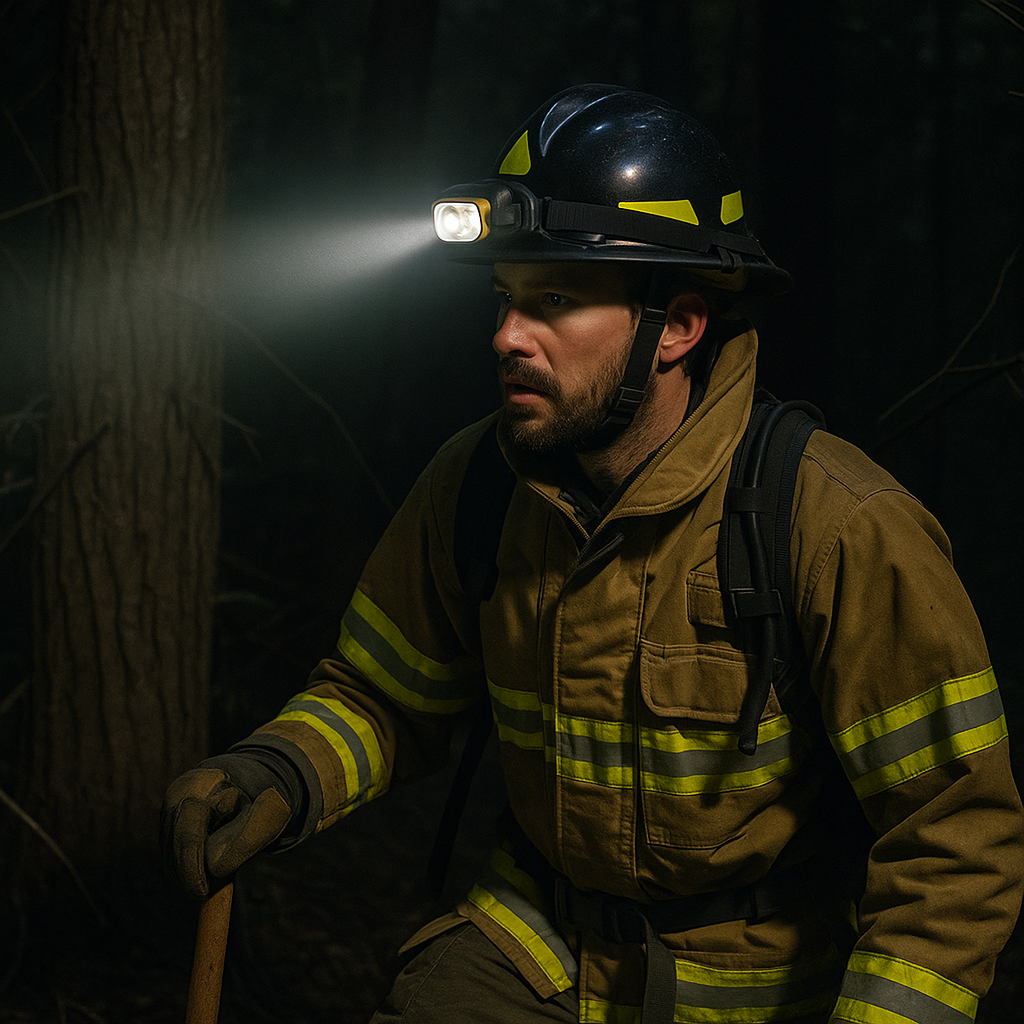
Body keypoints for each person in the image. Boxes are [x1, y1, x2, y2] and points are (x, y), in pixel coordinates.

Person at [162, 85, 1024, 1024]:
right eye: (506, 298)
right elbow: (382, 694)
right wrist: (281, 772)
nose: (506, 337)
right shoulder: (479, 486)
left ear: (680, 326)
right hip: (539, 946)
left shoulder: (836, 523)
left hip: (760, 981)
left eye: (556, 301)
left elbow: (954, 842)